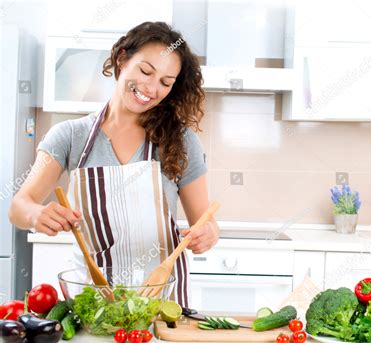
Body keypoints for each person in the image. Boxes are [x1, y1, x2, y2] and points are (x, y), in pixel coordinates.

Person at [9, 22, 219, 307]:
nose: (151, 88)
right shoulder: (70, 136)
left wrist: (207, 234)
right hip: (93, 300)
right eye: (146, 71)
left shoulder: (181, 141)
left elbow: (205, 223)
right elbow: (19, 206)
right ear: (122, 59)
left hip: (161, 302)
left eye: (165, 82)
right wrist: (36, 214)